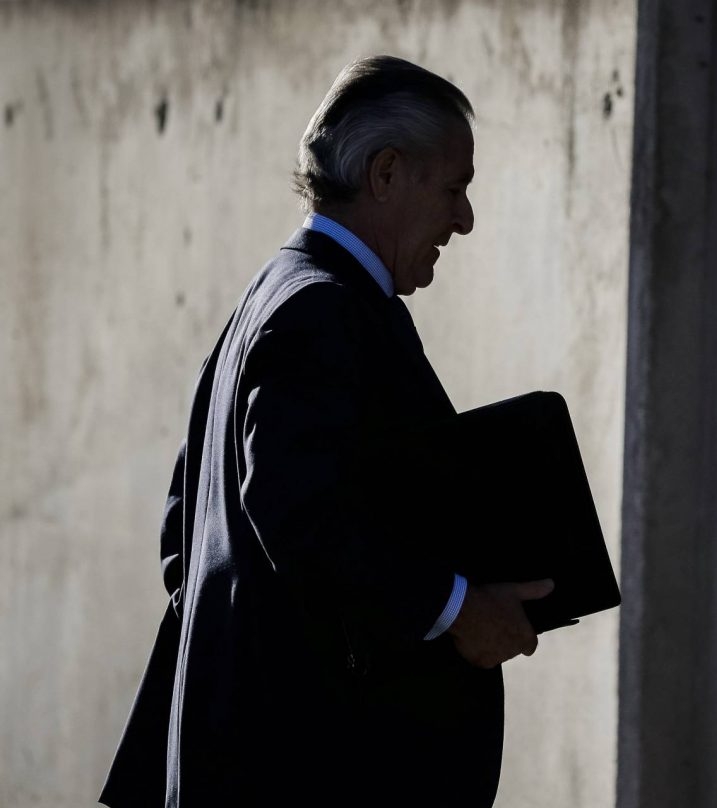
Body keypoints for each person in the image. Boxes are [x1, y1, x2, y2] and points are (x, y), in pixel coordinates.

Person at [100, 56, 553, 808]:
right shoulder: (323, 310)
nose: (465, 219)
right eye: (454, 187)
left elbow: (189, 538)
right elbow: (299, 512)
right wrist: (453, 607)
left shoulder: (273, 296)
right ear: (385, 174)